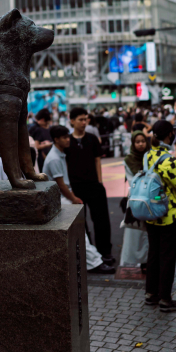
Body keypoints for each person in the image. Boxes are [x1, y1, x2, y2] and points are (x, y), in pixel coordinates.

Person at [43, 125, 114, 274]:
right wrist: (74, 198)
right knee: (80, 230)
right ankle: (95, 263)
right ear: (56, 139)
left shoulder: (60, 154)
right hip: (60, 199)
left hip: (63, 197)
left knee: (81, 230)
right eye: (64, 138)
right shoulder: (54, 158)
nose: (68, 140)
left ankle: (94, 259)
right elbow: (61, 185)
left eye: (68, 136)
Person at [143, 120, 176, 312]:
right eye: (172, 132)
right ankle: (165, 298)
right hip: (168, 214)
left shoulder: (148, 155)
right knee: (167, 256)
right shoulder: (169, 161)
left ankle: (151, 294)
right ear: (168, 135)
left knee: (153, 253)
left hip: (150, 212)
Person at [66, 106, 114, 265]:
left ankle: (105, 252)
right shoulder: (68, 141)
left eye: (85, 119)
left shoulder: (92, 139)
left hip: (94, 185)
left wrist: (100, 182)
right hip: (76, 187)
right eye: (80, 119)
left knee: (101, 221)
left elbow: (97, 160)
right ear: (72, 121)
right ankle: (87, 254)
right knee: (81, 222)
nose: (84, 122)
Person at [121, 131, 150, 269]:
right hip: (136, 199)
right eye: (137, 142)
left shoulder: (151, 157)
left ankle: (148, 261)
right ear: (133, 143)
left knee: (148, 233)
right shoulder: (129, 160)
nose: (140, 144)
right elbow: (132, 181)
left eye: (143, 141)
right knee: (136, 232)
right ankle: (140, 261)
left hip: (150, 199)